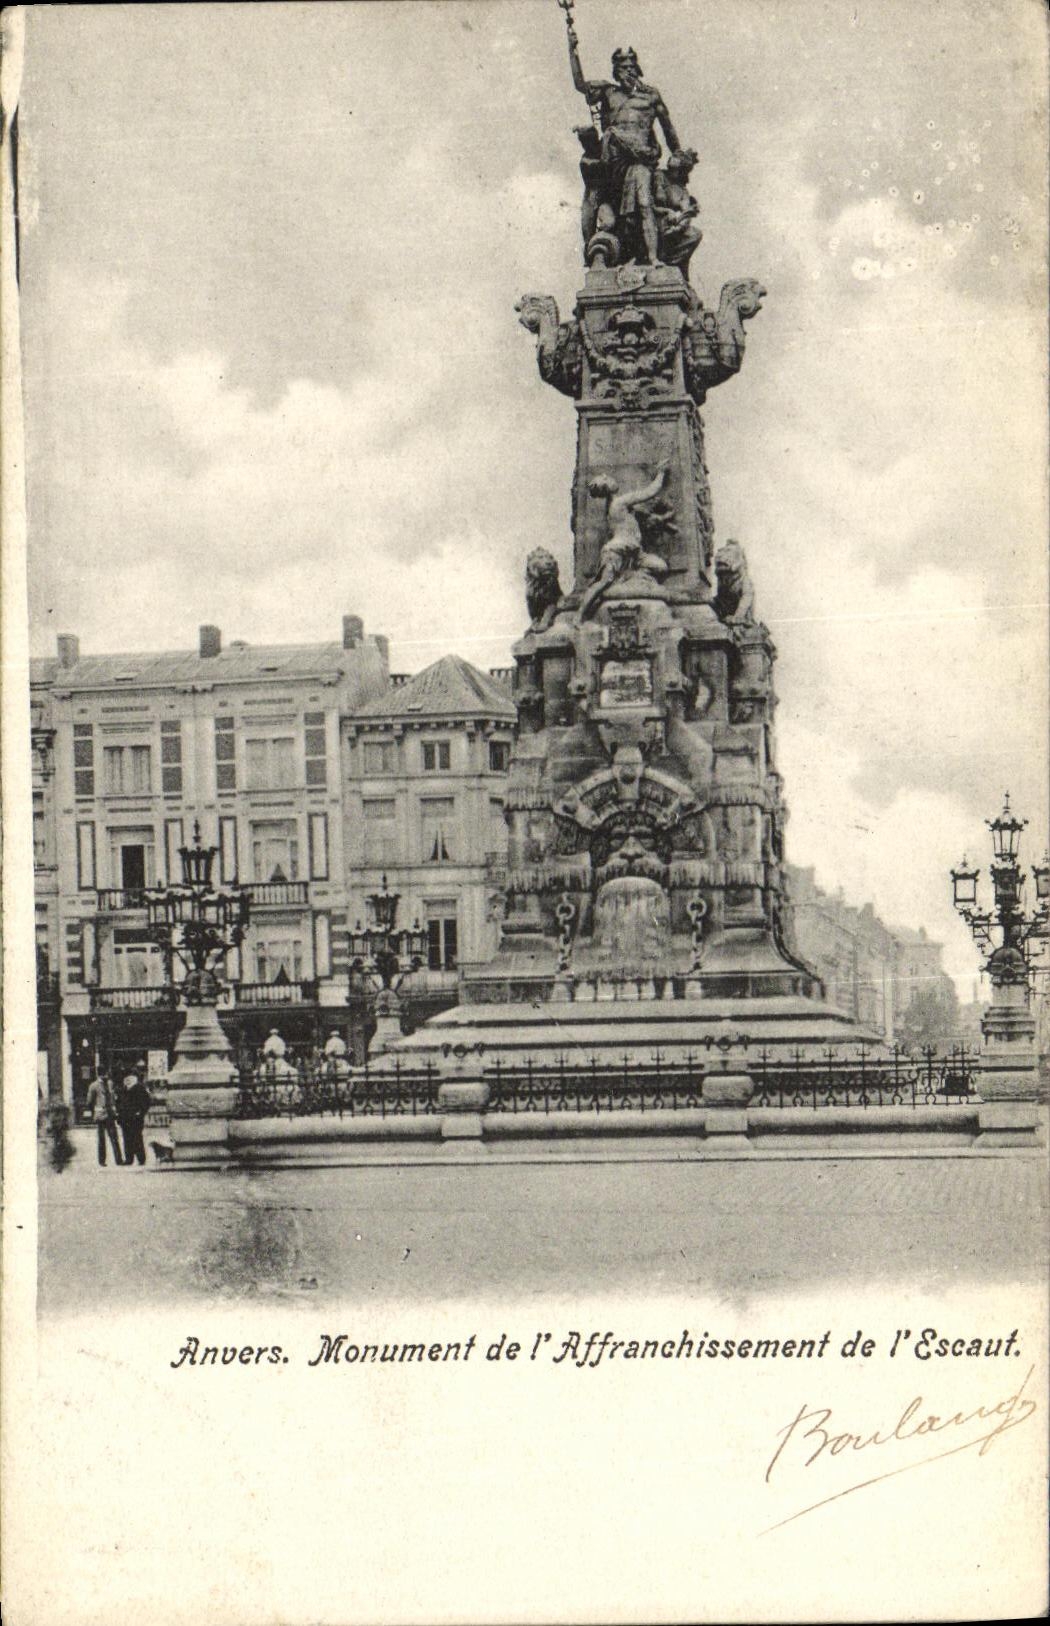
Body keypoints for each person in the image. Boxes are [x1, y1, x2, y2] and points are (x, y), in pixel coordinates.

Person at [567, 35, 683, 264]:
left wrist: (677, 152)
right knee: (596, 200)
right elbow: (580, 84)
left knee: (645, 203)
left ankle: (653, 258)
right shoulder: (609, 92)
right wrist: (573, 50)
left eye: (631, 67)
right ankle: (592, 247)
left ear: (637, 69)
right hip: (613, 163)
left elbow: (668, 128)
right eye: (622, 68)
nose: (627, 71)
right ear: (616, 72)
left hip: (640, 160)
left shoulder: (651, 96)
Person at [84, 1071, 123, 1167]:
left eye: (106, 1075)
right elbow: (89, 1101)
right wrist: (94, 1111)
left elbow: (114, 1098)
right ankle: (102, 1161)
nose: (105, 1076)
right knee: (102, 1139)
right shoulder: (94, 1086)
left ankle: (118, 1160)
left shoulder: (110, 1084)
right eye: (103, 1075)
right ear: (99, 1075)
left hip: (110, 1115)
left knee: (114, 1138)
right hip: (100, 1115)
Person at [117, 1071, 153, 1167]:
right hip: (125, 1119)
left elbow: (146, 1102)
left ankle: (141, 1158)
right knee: (127, 1139)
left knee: (137, 1138)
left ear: (133, 1078)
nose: (127, 1080)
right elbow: (119, 1103)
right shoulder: (123, 1089)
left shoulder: (139, 1088)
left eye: (129, 1078)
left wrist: (140, 1112)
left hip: (135, 1119)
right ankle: (129, 1159)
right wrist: (119, 1115)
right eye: (126, 1078)